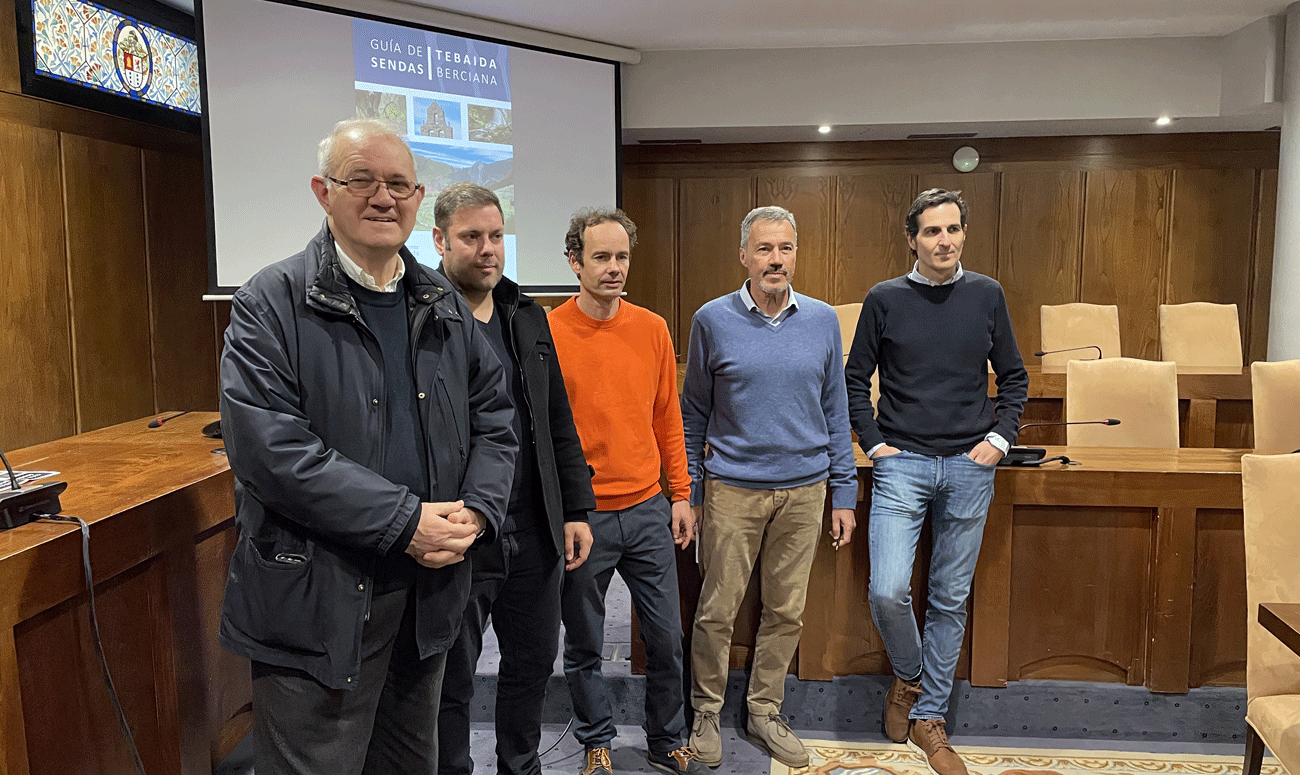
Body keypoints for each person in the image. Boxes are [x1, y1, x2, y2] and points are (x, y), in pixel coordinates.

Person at [218, 119, 517, 775]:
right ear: (324, 192)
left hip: (426, 600)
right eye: (363, 180)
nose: (384, 197)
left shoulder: (439, 300)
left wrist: (478, 507)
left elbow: (496, 414)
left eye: (399, 184)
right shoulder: (272, 300)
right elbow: (269, 448)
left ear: (417, 198)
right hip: (315, 601)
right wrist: (403, 520)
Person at [844, 189, 1028, 775]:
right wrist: (875, 446)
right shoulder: (884, 299)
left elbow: (1015, 380)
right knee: (887, 589)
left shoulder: (987, 295)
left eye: (952, 230)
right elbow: (854, 381)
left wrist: (998, 441)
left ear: (964, 234)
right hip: (903, 465)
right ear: (912, 239)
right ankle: (910, 674)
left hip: (971, 468)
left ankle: (928, 716)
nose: (943, 241)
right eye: (931, 232)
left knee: (949, 598)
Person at [681, 205, 858, 770]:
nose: (775, 259)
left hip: (806, 492)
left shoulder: (823, 320)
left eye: (784, 248)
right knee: (718, 610)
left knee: (786, 611)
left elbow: (836, 408)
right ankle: (705, 712)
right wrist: (690, 493)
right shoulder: (711, 319)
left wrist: (845, 492)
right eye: (763, 249)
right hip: (732, 489)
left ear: (795, 253)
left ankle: (764, 711)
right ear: (744, 256)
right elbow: (692, 417)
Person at [433, 182, 597, 775]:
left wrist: (575, 507)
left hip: (535, 527)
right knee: (452, 674)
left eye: (496, 236)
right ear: (440, 241)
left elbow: (557, 418)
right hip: (459, 532)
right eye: (471, 237)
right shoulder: (422, 316)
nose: (487, 249)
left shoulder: (526, 315)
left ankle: (519, 767)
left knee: (530, 665)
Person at [548, 208, 710, 775]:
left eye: (621, 257)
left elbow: (669, 417)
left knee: (666, 640)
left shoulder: (652, 328)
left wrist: (681, 494)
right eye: (600, 257)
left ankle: (668, 740)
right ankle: (596, 740)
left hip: (647, 510)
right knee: (586, 644)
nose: (614, 268)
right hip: (582, 517)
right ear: (574, 262)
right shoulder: (548, 332)